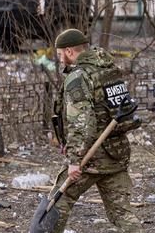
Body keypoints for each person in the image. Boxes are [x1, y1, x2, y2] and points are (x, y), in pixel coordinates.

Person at [43, 29, 143, 232]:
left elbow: (82, 123)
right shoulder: (109, 70)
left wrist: (74, 161)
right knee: (122, 214)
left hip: (91, 158)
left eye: (61, 53)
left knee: (56, 206)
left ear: (69, 51)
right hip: (116, 153)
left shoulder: (78, 77)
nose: (60, 58)